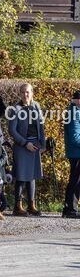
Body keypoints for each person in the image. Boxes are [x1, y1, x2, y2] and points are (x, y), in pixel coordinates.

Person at [7, 83, 45, 217]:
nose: (25, 94)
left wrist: (43, 144)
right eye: (23, 92)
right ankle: (17, 206)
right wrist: (25, 143)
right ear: (20, 94)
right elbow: (12, 130)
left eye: (27, 92)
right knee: (21, 175)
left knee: (32, 176)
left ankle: (31, 205)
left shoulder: (37, 106)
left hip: (35, 145)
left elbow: (41, 127)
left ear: (32, 93)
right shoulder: (15, 109)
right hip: (22, 146)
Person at [63, 90, 80, 219]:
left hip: (75, 152)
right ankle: (70, 209)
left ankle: (70, 208)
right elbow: (75, 137)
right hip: (76, 153)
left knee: (75, 180)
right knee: (75, 181)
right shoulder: (74, 113)